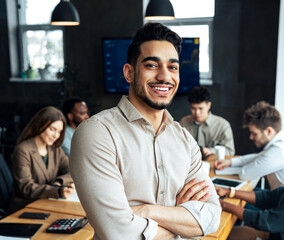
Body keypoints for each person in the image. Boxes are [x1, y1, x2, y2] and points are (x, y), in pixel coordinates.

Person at [70, 23, 221, 240]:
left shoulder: (185, 140)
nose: (164, 76)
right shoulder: (96, 133)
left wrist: (145, 211)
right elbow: (119, 233)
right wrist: (181, 219)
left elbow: (212, 217)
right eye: (152, 65)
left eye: (173, 67)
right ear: (129, 72)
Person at [215, 101, 284, 190]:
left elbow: (245, 174)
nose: (251, 137)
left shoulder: (278, 151)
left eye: (254, 133)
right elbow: (260, 156)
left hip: (282, 202)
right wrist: (230, 162)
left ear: (269, 131)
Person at [10, 106, 74, 212]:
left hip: (48, 203)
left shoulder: (55, 149)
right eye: (52, 129)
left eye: (59, 131)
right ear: (40, 125)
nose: (56, 135)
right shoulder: (23, 150)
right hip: (26, 207)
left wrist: (58, 182)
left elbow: (72, 170)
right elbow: (26, 188)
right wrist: (57, 191)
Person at [180, 86, 235, 158]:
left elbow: (230, 151)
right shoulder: (183, 122)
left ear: (209, 105)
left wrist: (211, 151)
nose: (197, 113)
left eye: (200, 108)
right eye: (193, 108)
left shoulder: (223, 125)